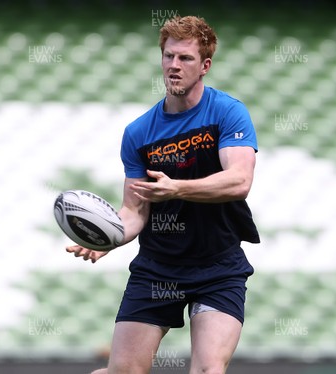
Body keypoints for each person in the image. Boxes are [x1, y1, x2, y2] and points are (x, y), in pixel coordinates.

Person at [66, 15, 260, 374]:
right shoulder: (139, 133)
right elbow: (134, 211)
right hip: (158, 269)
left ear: (205, 66)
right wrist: (106, 235)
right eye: (168, 56)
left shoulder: (228, 113)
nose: (174, 65)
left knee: (207, 370)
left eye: (185, 58)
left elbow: (239, 181)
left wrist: (177, 188)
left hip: (218, 267)